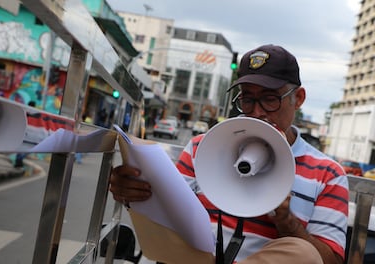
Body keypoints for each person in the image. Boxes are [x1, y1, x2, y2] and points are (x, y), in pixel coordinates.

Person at [109, 44, 349, 264]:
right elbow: (167, 215)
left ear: (298, 98)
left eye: (269, 99)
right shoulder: (201, 148)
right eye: (247, 99)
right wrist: (135, 191)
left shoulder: (327, 173)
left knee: (302, 253)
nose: (257, 112)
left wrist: (287, 223)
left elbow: (330, 261)